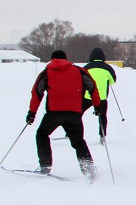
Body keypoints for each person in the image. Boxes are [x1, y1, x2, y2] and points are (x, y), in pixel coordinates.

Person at [27, 49, 100, 179]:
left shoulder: (46, 73)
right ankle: (88, 167)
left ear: (52, 59)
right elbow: (93, 88)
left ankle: (45, 166)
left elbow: (37, 93)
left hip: (53, 114)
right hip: (74, 114)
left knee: (42, 134)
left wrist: (32, 113)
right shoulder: (79, 71)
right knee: (78, 141)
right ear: (66, 59)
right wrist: (97, 106)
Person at [82, 47, 117, 141]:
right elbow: (113, 81)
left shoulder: (86, 67)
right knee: (102, 115)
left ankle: (71, 132)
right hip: (101, 97)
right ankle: (102, 135)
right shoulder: (108, 68)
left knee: (77, 113)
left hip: (87, 96)